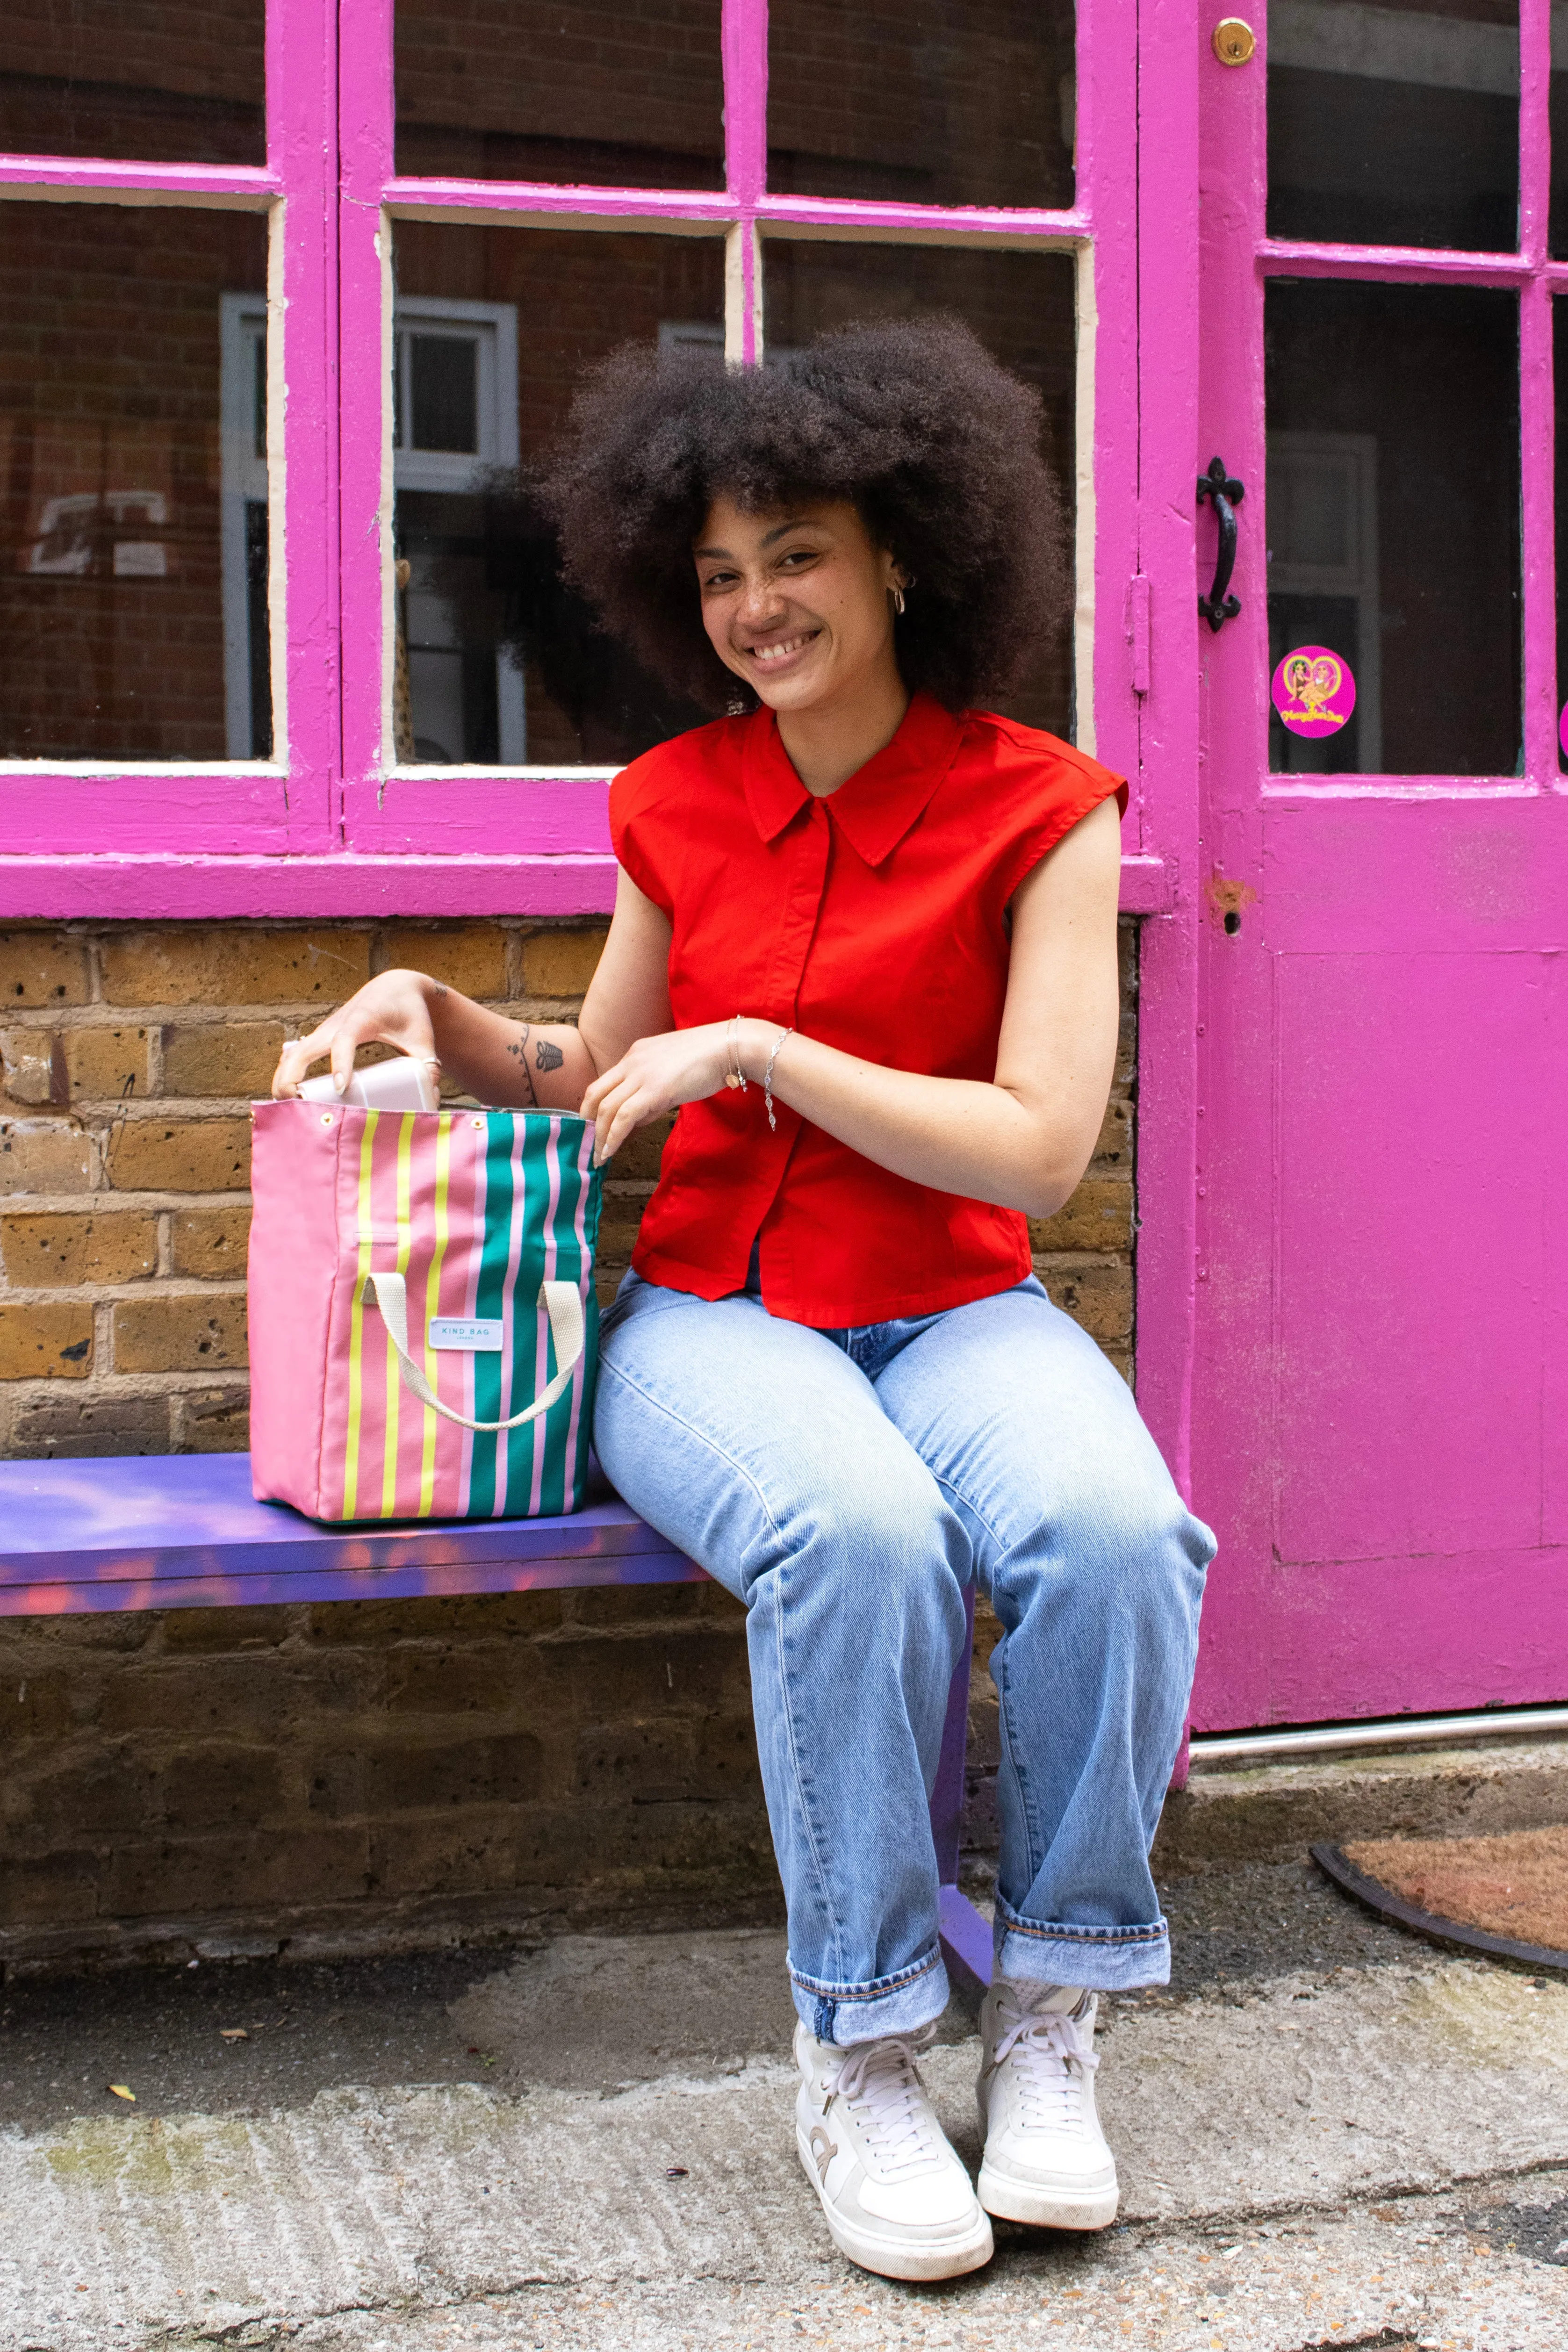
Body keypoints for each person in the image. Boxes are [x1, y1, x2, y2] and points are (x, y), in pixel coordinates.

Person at [273, 318, 1216, 2286]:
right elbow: (602, 1084)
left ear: (901, 555)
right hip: (711, 1314)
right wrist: (435, 1015)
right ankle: (864, 2044)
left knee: (1114, 1530)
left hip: (954, 1306)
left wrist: (767, 1048)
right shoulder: (675, 801)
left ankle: (1048, 2012)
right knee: (859, 1539)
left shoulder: (1046, 807)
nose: (753, 602)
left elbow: (1037, 1147)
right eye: (715, 569)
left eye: (793, 553)